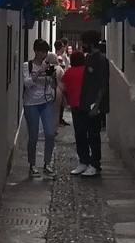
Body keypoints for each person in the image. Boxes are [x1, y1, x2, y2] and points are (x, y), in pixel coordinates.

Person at [71, 32, 110, 177]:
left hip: (94, 105)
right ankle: (84, 161)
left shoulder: (101, 60)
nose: (82, 46)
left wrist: (97, 105)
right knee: (80, 132)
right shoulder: (88, 58)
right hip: (83, 103)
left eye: (84, 43)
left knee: (93, 135)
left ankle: (95, 163)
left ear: (90, 43)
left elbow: (102, 84)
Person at [20, 39, 58, 179]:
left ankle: (47, 164)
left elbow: (53, 86)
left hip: (46, 101)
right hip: (31, 104)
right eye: (42, 51)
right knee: (34, 136)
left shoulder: (48, 66)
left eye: (46, 52)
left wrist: (53, 78)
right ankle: (32, 164)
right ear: (36, 51)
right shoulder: (27, 66)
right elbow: (27, 83)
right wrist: (39, 72)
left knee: (50, 133)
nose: (44, 54)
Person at [60, 47, 87, 166]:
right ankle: (91, 161)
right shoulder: (87, 71)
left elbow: (63, 87)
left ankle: (83, 159)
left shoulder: (69, 72)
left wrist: (67, 99)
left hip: (75, 105)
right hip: (87, 104)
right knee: (89, 132)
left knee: (79, 133)